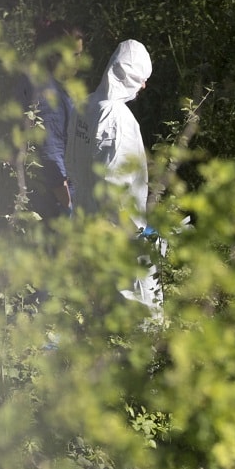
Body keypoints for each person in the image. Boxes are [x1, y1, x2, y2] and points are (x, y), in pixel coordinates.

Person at [66, 39, 161, 313]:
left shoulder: (85, 105)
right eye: (141, 79)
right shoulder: (119, 118)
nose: (144, 86)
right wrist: (138, 232)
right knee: (140, 307)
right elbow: (115, 188)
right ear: (130, 77)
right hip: (118, 233)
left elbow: (72, 161)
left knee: (98, 307)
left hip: (87, 222)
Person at [19, 19, 84, 221]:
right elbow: (51, 156)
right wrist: (69, 208)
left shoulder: (48, 82)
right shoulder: (48, 94)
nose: (79, 61)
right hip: (56, 203)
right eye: (74, 55)